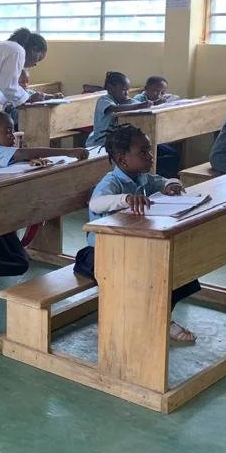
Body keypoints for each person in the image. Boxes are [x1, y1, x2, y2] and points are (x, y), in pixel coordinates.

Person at [75, 124, 199, 343]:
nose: (150, 156)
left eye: (149, 149)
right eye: (143, 151)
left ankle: (160, 316)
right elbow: (97, 202)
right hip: (99, 253)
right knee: (145, 271)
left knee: (175, 265)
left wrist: (172, 184)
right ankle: (156, 320)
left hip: (129, 247)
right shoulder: (112, 182)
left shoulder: (141, 178)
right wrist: (126, 199)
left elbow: (162, 181)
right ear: (122, 159)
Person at [0, 111, 86, 277]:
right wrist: (68, 152)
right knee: (17, 263)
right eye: (7, 132)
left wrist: (30, 161)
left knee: (20, 263)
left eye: (13, 131)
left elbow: (16, 161)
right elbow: (22, 153)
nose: (12, 136)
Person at [85, 72, 153, 152]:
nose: (127, 93)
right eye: (123, 90)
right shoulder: (104, 100)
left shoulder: (123, 101)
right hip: (99, 144)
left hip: (115, 143)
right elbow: (114, 108)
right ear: (110, 88)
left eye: (128, 90)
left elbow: (137, 104)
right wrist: (139, 106)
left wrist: (154, 103)